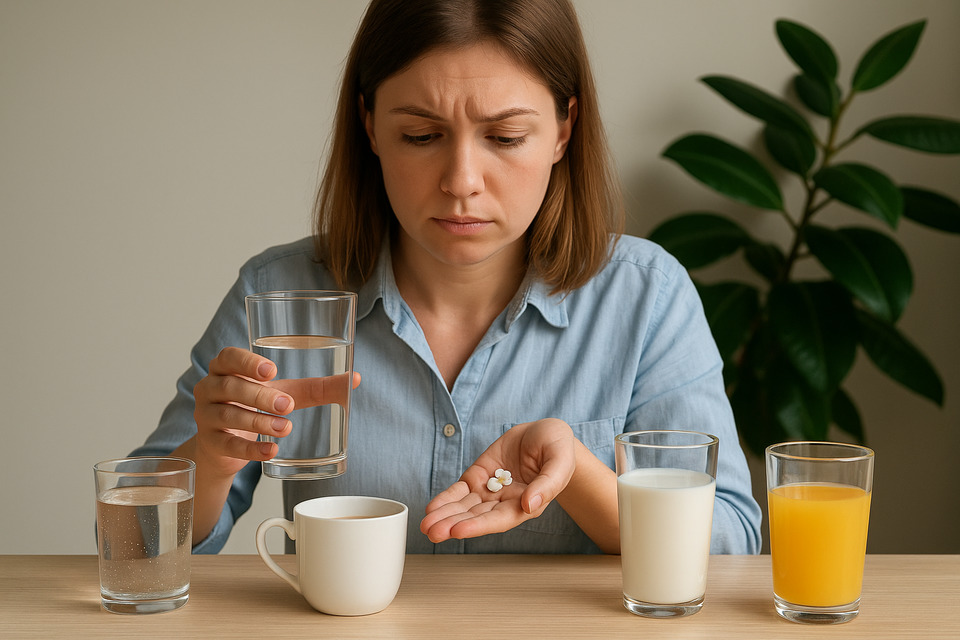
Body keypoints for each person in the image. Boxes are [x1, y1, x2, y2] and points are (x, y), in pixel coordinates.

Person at [131, 0, 762, 555]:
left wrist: (579, 476)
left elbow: (732, 541)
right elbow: (134, 547)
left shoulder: (645, 296)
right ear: (370, 126)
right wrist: (209, 459)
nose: (461, 180)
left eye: (506, 137)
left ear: (564, 130)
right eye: (422, 134)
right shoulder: (280, 294)